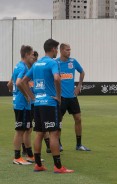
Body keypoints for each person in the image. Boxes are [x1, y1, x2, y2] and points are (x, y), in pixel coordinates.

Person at [21, 39, 74, 173]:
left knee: (39, 133)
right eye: (56, 49)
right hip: (50, 103)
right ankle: (58, 166)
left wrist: (32, 97)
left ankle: (38, 164)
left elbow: (23, 81)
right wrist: (58, 95)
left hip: (37, 103)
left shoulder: (37, 63)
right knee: (54, 133)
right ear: (53, 49)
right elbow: (57, 78)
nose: (57, 51)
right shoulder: (53, 62)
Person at [56, 43, 90, 151]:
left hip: (72, 96)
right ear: (61, 50)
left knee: (78, 118)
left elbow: (82, 72)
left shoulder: (73, 61)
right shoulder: (55, 63)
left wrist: (79, 86)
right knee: (58, 120)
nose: (69, 52)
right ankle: (59, 144)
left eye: (70, 50)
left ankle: (79, 145)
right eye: (67, 50)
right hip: (61, 97)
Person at [10, 45, 35, 165]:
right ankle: (17, 157)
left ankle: (30, 155)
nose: (33, 57)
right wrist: (26, 95)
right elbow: (19, 82)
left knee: (28, 129)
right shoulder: (23, 68)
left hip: (21, 104)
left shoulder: (18, 66)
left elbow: (10, 83)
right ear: (26, 55)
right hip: (22, 104)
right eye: (31, 55)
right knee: (20, 130)